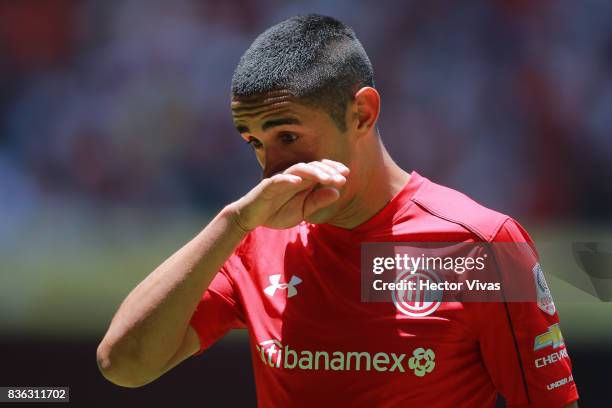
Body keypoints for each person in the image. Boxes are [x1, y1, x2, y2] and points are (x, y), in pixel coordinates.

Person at [97, 14, 579, 407]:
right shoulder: (254, 237)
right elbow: (124, 365)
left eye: (288, 136)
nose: (272, 168)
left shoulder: (483, 247)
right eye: (255, 143)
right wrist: (233, 222)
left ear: (362, 114)